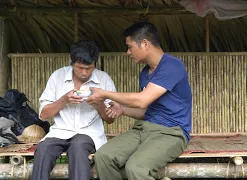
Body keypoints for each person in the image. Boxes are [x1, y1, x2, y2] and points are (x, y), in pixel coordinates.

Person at [86, 21, 192, 180]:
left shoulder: (172, 66)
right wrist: (123, 110)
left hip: (171, 133)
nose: (127, 52)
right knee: (104, 157)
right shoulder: (145, 73)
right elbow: (146, 110)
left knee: (136, 168)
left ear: (144, 43)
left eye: (129, 47)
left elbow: (142, 100)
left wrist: (104, 94)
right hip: (143, 129)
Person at [32, 40, 116, 180]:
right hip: (60, 131)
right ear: (71, 62)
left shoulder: (103, 79)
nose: (84, 73)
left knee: (78, 147)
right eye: (79, 68)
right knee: (43, 149)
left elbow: (110, 119)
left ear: (95, 63)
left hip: (88, 133)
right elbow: (43, 114)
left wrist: (99, 103)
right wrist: (64, 100)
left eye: (89, 68)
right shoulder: (58, 76)